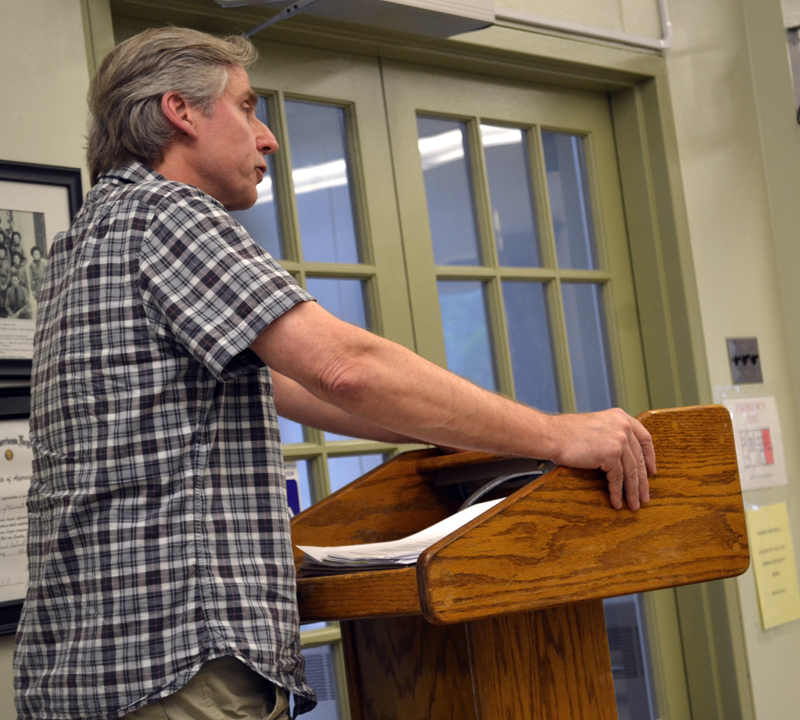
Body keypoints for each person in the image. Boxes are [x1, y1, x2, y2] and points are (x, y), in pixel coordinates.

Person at [13, 27, 656, 720]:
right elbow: (343, 367)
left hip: (87, 670)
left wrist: (480, 437)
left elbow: (292, 385)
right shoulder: (169, 216)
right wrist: (559, 436)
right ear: (181, 111)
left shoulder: (88, 233)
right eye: (248, 107)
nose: (269, 139)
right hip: (176, 669)